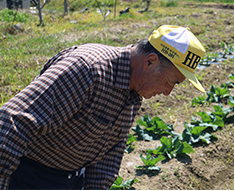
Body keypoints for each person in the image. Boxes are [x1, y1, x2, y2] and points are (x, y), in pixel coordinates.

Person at [0, 25, 205, 189]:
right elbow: (12, 121)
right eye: (172, 82)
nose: (168, 92)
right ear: (150, 61)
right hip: (28, 177)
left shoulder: (133, 91)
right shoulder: (87, 70)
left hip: (70, 180)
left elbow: (108, 158)